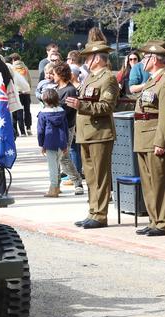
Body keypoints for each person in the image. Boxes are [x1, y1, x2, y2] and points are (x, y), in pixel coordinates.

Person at [66, 41, 119, 229]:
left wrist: (81, 105)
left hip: (99, 133)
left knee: (100, 176)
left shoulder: (108, 78)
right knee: (90, 176)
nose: (86, 60)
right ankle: (92, 211)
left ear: (97, 58)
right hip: (86, 133)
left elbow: (107, 106)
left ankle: (100, 214)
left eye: (88, 56)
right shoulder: (90, 77)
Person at [132, 42, 165, 237]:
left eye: (146, 57)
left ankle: (163, 222)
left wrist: (161, 141)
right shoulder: (152, 80)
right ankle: (154, 220)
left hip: (154, 136)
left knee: (159, 180)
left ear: (154, 59)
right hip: (143, 135)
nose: (142, 61)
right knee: (148, 182)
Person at [53, 63, 83, 194]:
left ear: (60, 75)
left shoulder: (70, 90)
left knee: (63, 157)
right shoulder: (57, 88)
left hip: (66, 127)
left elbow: (68, 111)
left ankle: (77, 182)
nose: (52, 76)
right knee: (55, 156)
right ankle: (56, 184)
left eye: (54, 74)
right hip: (54, 126)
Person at [37, 88, 69, 198]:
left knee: (52, 167)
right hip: (61, 142)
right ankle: (57, 187)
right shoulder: (62, 112)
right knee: (57, 165)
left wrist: (41, 144)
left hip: (49, 142)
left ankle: (53, 188)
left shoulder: (43, 114)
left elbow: (40, 131)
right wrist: (66, 144)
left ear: (45, 100)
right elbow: (65, 128)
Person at [9, 53, 33, 136]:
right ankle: (28, 128)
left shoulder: (12, 68)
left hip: (17, 92)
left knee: (16, 112)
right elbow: (29, 80)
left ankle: (17, 131)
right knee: (27, 110)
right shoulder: (25, 67)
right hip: (26, 92)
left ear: (12, 60)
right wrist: (28, 88)